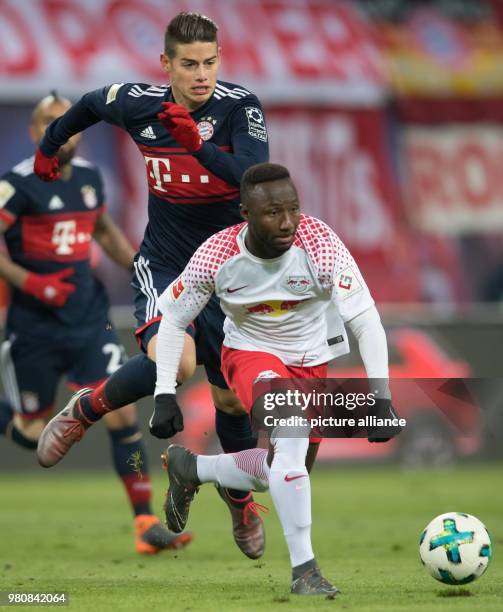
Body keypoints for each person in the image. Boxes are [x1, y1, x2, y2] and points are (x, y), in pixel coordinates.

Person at [34, 12, 269, 559]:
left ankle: (240, 506)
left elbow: (254, 180)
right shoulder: (141, 104)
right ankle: (85, 409)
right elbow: (92, 102)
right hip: (167, 264)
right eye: (189, 64)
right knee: (178, 362)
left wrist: (199, 147)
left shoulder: (241, 108)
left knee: (230, 401)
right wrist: (51, 145)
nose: (202, 74)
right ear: (167, 65)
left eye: (210, 61)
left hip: (232, 275)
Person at [153, 162, 402, 596]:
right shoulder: (217, 255)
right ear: (245, 213)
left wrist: (381, 397)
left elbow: (365, 320)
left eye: (293, 209)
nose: (287, 222)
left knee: (283, 469)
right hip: (249, 354)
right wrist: (163, 392)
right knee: (290, 435)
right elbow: (172, 320)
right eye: (272, 213)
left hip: (312, 362)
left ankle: (192, 467)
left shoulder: (321, 243)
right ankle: (305, 571)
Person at [0, 92, 192, 555]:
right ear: (34, 133)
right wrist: (32, 282)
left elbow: (102, 229)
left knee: (121, 412)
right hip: (35, 326)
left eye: (66, 122)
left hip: (88, 317)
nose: (60, 130)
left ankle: (145, 522)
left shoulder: (89, 178)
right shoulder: (15, 185)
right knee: (31, 434)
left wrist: (138, 269)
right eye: (49, 122)